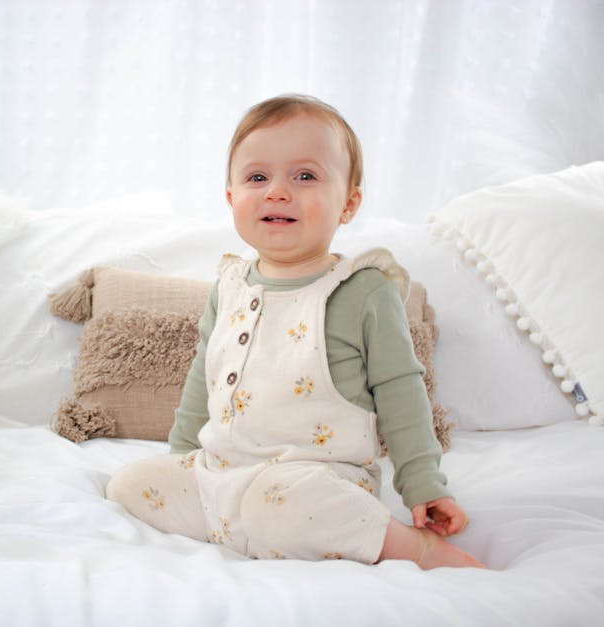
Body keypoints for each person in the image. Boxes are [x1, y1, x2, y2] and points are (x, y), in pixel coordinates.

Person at [106, 94, 484, 569]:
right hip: (220, 474)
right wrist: (183, 459)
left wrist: (424, 484)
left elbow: (402, 393)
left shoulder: (361, 290)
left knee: (280, 505)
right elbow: (203, 377)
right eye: (257, 177)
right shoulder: (229, 286)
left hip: (313, 480)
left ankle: (412, 546)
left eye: (304, 176)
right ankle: (240, 528)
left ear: (349, 203)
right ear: (231, 198)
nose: (277, 191)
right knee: (129, 486)